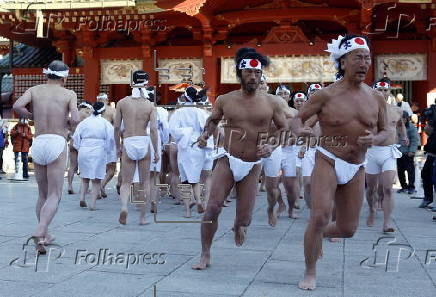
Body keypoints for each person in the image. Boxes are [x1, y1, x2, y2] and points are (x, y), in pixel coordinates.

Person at [292, 35, 389, 290]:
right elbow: (297, 118)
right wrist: (299, 130)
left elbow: (386, 131)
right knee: (321, 214)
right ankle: (310, 270)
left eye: (367, 58)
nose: (364, 63)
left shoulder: (376, 97)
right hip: (328, 159)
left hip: (356, 166)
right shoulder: (325, 95)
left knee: (347, 229)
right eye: (358, 58)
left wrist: (375, 138)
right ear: (343, 61)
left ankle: (317, 235)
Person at [191, 47, 287, 270]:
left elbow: (284, 129)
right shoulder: (225, 99)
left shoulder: (272, 102)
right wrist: (205, 134)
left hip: (253, 164)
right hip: (228, 158)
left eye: (257, 73)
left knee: (245, 218)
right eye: (249, 73)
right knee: (212, 207)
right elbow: (213, 120)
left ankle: (239, 225)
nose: (253, 77)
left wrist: (272, 145)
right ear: (240, 73)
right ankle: (205, 253)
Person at [13, 60, 80, 254]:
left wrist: (33, 115)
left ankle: (43, 237)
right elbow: (75, 118)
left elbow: (17, 106)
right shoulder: (69, 94)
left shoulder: (34, 90)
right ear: (65, 77)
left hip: (40, 141)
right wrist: (68, 125)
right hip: (57, 141)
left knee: (42, 194)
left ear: (46, 74)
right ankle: (41, 229)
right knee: (54, 195)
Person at [114, 70, 159, 225]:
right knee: (144, 182)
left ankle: (124, 207)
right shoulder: (149, 105)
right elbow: (153, 130)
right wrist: (157, 151)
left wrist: (117, 146)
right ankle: (142, 217)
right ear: (146, 84)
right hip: (143, 141)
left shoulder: (122, 102)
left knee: (126, 181)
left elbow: (116, 128)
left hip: (128, 140)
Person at [365, 79, 408, 231]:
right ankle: (371, 209)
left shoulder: (397, 110)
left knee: (388, 188)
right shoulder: (366, 110)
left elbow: (400, 124)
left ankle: (387, 222)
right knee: (371, 189)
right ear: (374, 92)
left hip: (388, 152)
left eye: (386, 90)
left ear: (389, 92)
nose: (383, 93)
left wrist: (404, 136)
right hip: (371, 151)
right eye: (380, 90)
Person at [169, 86, 214, 218]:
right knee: (200, 176)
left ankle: (189, 209)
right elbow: (208, 129)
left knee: (185, 179)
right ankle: (201, 201)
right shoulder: (202, 113)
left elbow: (173, 130)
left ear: (185, 97)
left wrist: (185, 132)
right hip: (200, 145)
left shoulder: (178, 113)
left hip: (186, 146)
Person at [72, 101, 115, 210]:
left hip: (84, 149)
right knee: (96, 179)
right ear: (103, 111)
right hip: (99, 150)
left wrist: (79, 147)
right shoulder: (105, 123)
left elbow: (76, 137)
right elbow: (111, 139)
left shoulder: (84, 122)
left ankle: (82, 197)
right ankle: (92, 204)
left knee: (85, 177)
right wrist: (109, 151)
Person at [67, 101, 93, 194]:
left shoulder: (73, 116)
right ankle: (83, 188)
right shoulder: (88, 116)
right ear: (87, 108)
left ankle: (70, 186)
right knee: (85, 166)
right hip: (82, 142)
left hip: (72, 141)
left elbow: (67, 127)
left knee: (72, 166)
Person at [97, 93, 117, 198]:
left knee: (99, 167)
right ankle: (102, 184)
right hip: (109, 139)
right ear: (107, 100)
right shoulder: (112, 110)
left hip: (96, 141)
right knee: (111, 168)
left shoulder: (92, 111)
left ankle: (100, 188)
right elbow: (116, 125)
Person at [397, 111, 420, 194]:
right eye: (400, 118)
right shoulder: (396, 127)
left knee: (410, 170)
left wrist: (412, 150)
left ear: (407, 118)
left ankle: (411, 187)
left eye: (403, 118)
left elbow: (415, 140)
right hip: (398, 152)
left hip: (408, 152)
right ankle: (403, 186)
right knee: (400, 171)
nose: (402, 120)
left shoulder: (411, 127)